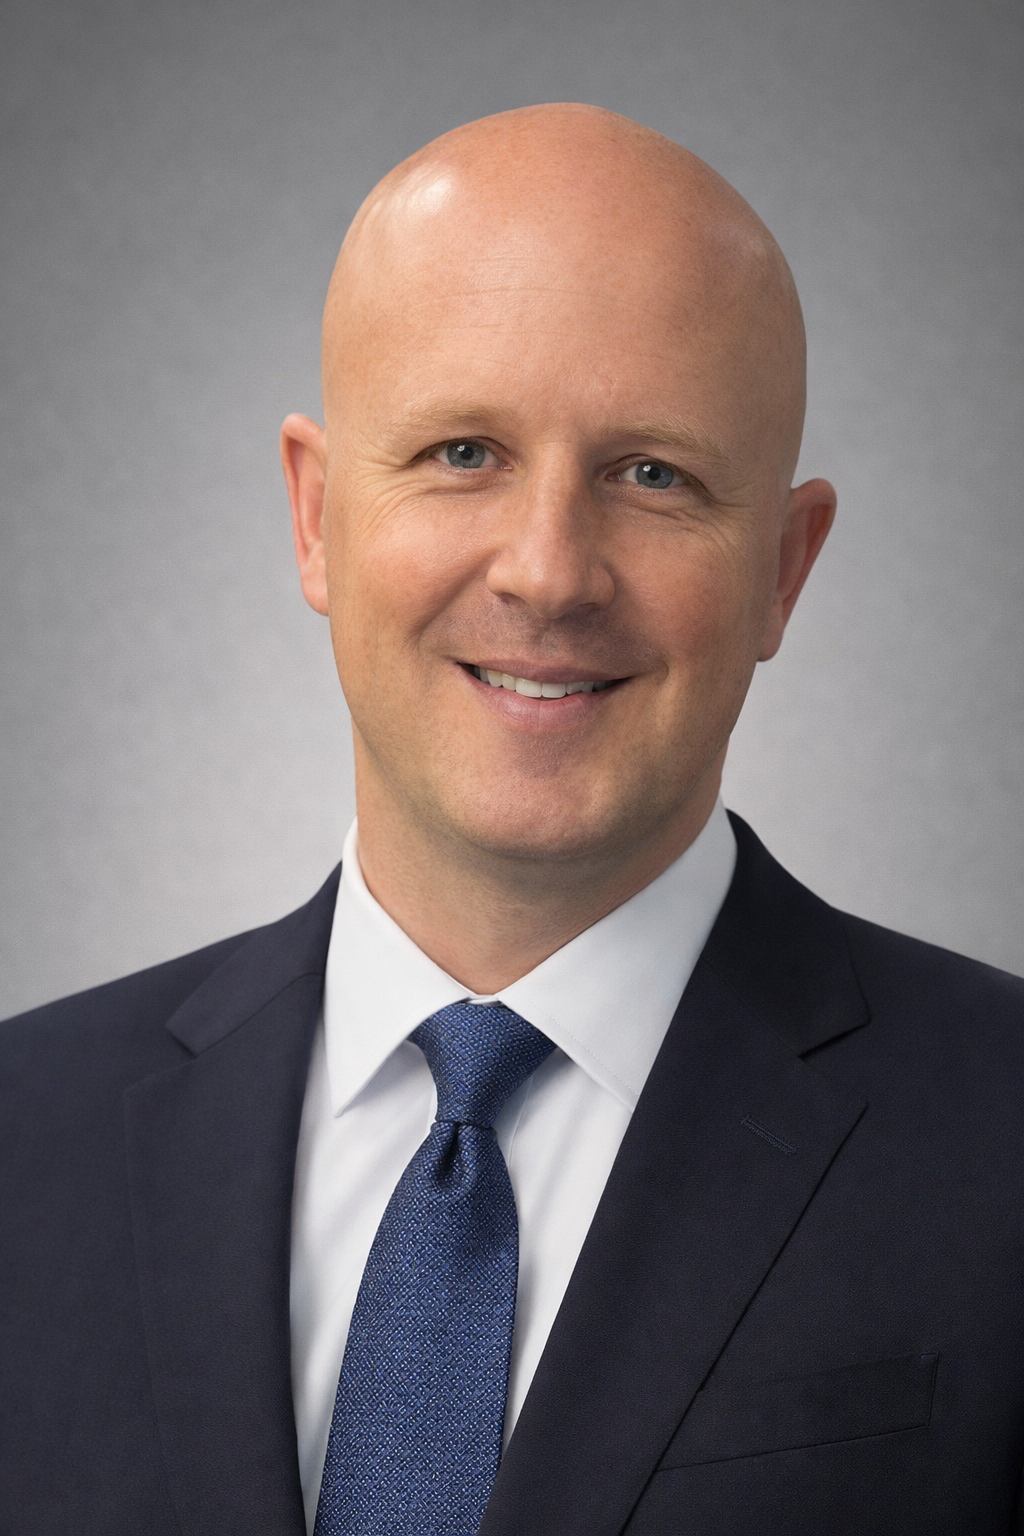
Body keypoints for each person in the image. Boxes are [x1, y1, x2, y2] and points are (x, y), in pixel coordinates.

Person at [1, 103, 1021, 1536]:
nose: (549, 572)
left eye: (654, 474)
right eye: (464, 452)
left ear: (784, 570)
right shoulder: (21, 1141)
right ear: (315, 516)